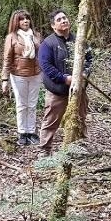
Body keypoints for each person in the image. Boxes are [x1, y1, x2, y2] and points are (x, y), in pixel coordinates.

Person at [37, 9, 92, 155]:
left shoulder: (79, 40)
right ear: (53, 26)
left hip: (78, 90)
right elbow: (46, 66)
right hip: (57, 90)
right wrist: (64, 79)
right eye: (59, 19)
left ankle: (79, 148)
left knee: (79, 118)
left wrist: (84, 74)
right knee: (51, 120)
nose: (64, 21)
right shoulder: (48, 44)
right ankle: (45, 150)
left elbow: (89, 59)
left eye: (65, 18)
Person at [1, 9, 42, 146]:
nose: (25, 21)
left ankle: (31, 131)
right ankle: (22, 132)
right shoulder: (11, 37)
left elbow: (42, 55)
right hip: (18, 75)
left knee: (32, 104)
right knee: (21, 104)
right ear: (16, 22)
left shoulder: (36, 36)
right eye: (22, 19)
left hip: (36, 74)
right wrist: (4, 79)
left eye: (27, 18)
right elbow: (7, 59)